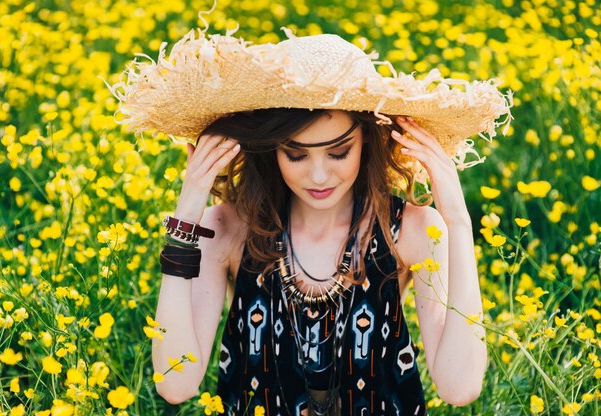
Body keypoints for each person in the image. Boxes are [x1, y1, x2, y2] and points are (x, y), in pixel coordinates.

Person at [110, 24, 510, 416]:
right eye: (296, 155)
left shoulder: (413, 231)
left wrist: (457, 221)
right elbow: (175, 384)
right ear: (270, 151)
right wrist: (186, 221)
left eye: (338, 152)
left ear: (367, 140)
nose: (318, 177)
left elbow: (460, 387)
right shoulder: (228, 230)